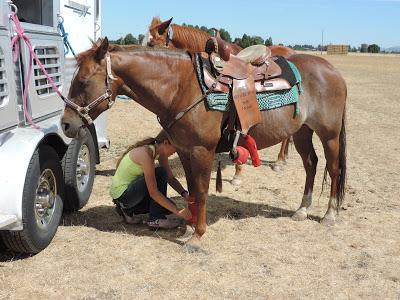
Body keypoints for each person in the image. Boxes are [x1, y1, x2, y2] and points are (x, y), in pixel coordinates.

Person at [110, 133, 192, 229]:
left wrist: (184, 194)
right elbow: (153, 192)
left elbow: (170, 178)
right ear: (166, 143)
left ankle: (127, 210)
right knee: (160, 173)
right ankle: (155, 220)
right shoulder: (146, 154)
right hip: (124, 195)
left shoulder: (159, 152)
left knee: (168, 207)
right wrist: (178, 211)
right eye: (176, 148)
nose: (176, 152)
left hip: (127, 196)